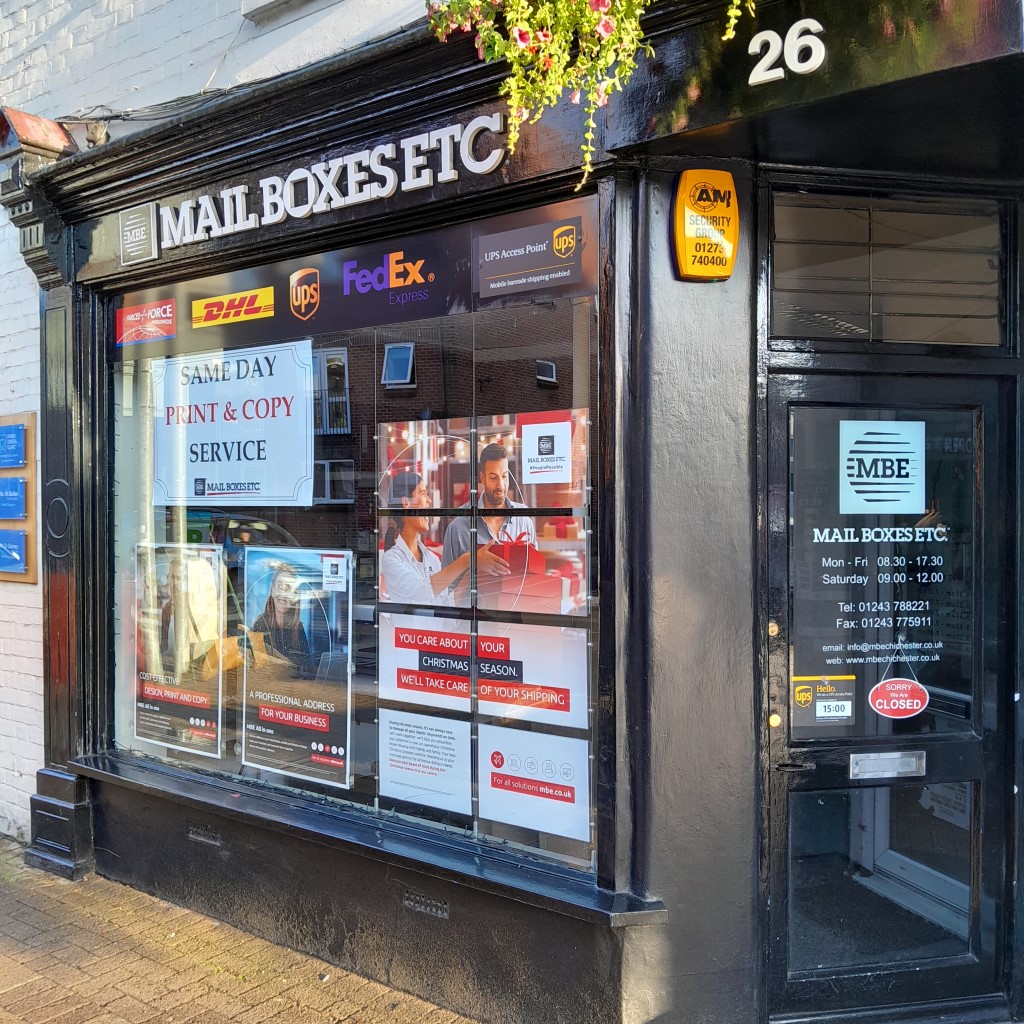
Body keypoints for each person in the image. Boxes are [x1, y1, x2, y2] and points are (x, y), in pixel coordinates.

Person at [380, 471, 509, 606]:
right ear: (406, 503)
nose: (429, 500)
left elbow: (445, 605)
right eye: (423, 493)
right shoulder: (391, 559)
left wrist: (472, 572)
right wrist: (468, 559)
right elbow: (420, 591)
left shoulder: (433, 559)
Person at [441, 443, 536, 571]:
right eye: (493, 477)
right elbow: (446, 582)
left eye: (504, 476)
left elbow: (534, 574)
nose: (500, 485)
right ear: (482, 478)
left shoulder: (524, 521)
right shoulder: (458, 527)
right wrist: (471, 562)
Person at [159, 552, 220, 676]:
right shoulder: (166, 608)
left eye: (179, 578)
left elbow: (200, 647)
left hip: (191, 670)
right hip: (170, 668)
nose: (175, 583)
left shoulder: (195, 609)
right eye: (172, 577)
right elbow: (163, 646)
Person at [250, 563, 312, 676]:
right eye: (280, 587)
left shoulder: (298, 627)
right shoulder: (261, 624)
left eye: (288, 588)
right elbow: (257, 665)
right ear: (273, 590)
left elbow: (307, 664)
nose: (283, 594)